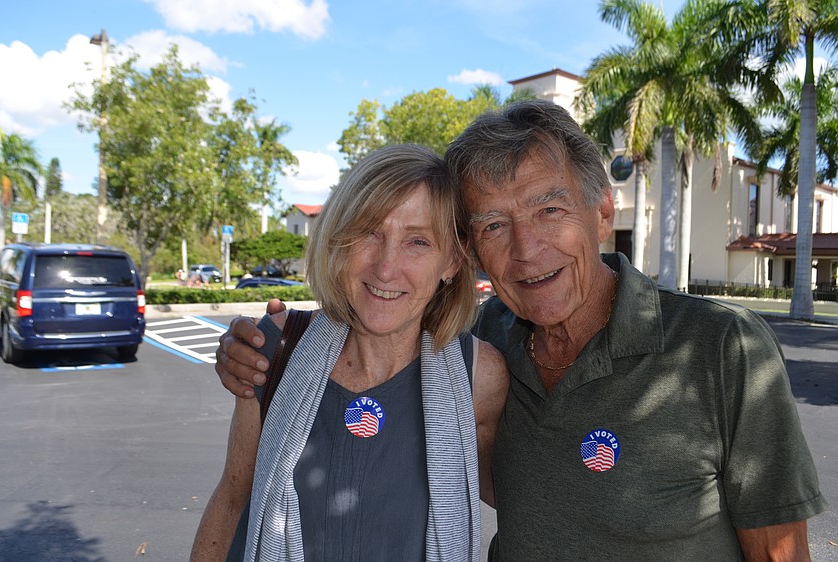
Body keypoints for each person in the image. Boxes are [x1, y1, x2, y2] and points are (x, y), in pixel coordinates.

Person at [214, 100, 828, 560]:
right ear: (471, 250)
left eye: (549, 210)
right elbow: (380, 309)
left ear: (601, 212)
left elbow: (781, 551)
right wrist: (251, 351)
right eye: (494, 225)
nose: (527, 250)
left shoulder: (723, 349)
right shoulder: (481, 350)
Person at [192, 144, 508, 561]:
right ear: (339, 240)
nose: (385, 268)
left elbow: (520, 501)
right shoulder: (275, 348)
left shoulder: (478, 375)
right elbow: (233, 498)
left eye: (417, 241)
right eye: (370, 233)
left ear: (451, 261)